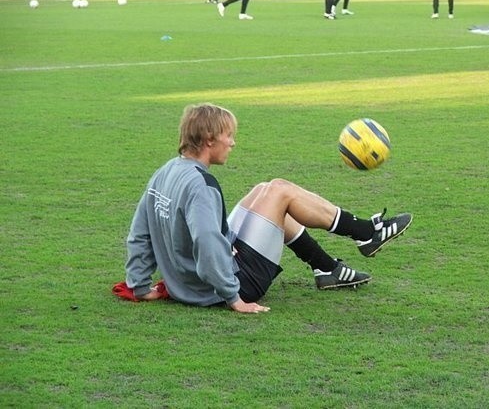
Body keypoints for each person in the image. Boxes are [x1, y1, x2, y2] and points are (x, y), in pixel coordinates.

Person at [123, 103, 413, 313]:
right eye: (228, 135)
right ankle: (365, 232)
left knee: (267, 189)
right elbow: (207, 241)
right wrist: (234, 298)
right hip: (226, 286)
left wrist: (138, 285)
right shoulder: (201, 186)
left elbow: (140, 232)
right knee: (280, 192)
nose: (232, 142)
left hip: (191, 283)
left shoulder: (166, 171)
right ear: (209, 140)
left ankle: (328, 269)